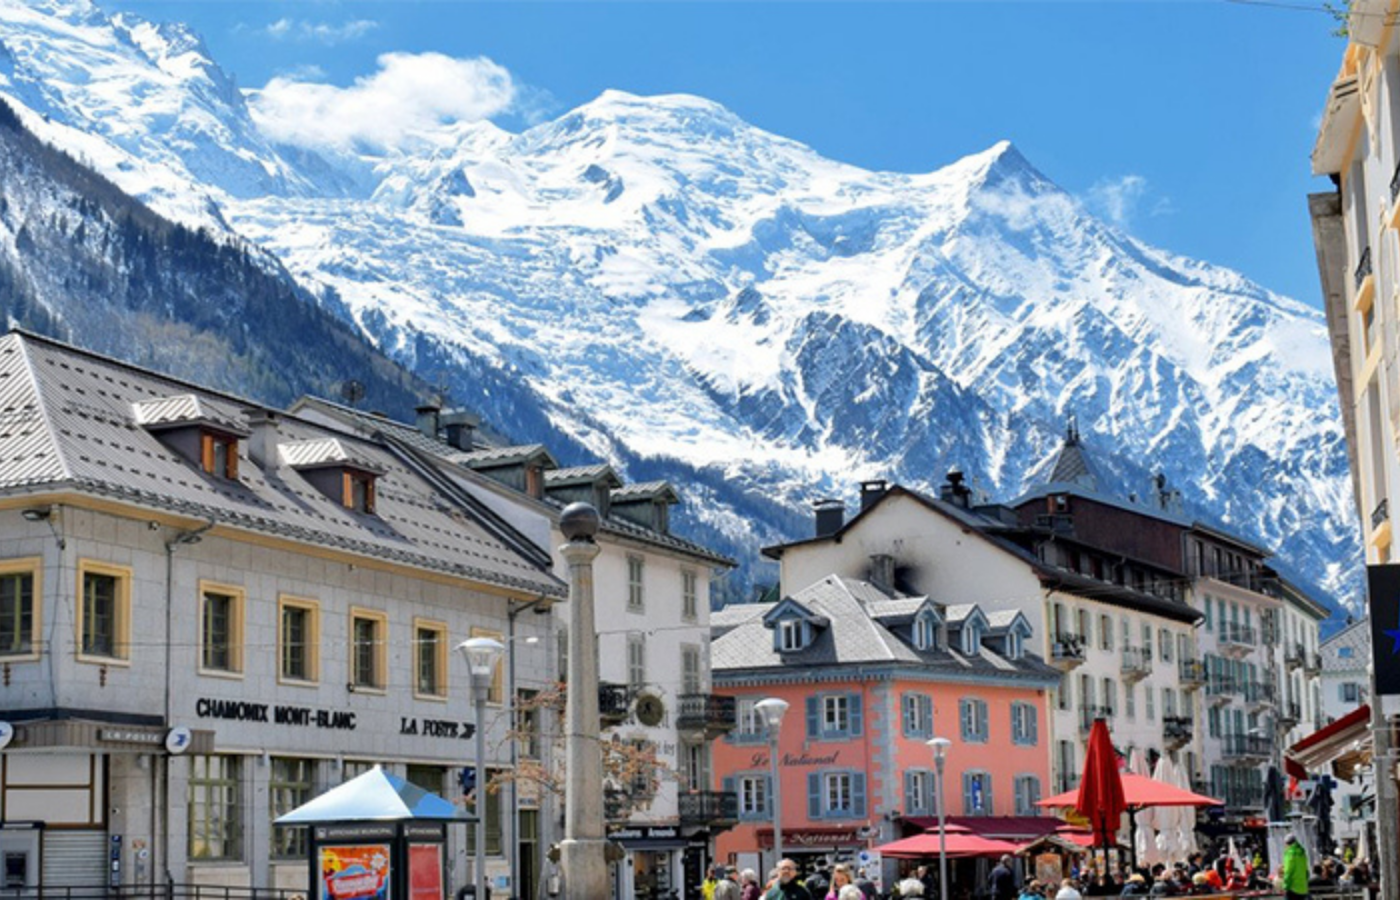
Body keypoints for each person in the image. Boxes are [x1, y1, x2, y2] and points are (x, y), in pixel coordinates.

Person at [1282, 834, 1310, 900]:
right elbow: (1306, 872)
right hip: (1303, 889)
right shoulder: (1302, 853)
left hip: (1293, 888)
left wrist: (1285, 886)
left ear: (1286, 843)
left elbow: (1288, 871)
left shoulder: (1290, 853)